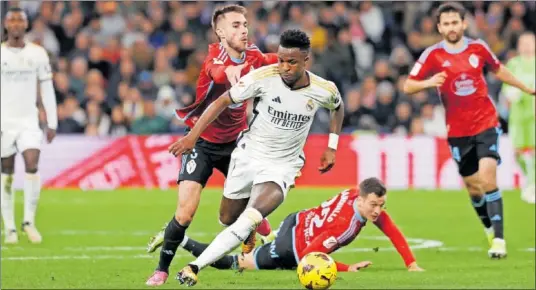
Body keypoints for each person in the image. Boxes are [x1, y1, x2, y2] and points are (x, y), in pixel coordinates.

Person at [168, 29, 345, 287]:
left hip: (283, 166)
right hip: (248, 156)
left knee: (252, 215)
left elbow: (337, 107)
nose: (283, 67)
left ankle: (194, 267)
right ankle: (247, 230)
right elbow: (221, 101)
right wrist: (193, 136)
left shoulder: (323, 89)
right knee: (227, 219)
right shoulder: (263, 77)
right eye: (281, 59)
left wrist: (332, 146)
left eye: (291, 62)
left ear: (306, 60)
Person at [146, 5, 279, 286]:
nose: (243, 29)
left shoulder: (253, 55)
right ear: (220, 32)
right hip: (201, 143)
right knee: (185, 213)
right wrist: (234, 73)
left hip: (235, 144)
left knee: (248, 202)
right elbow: (218, 73)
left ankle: (258, 232)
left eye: (244, 24)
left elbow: (272, 60)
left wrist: (292, 59)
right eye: (234, 25)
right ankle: (161, 270)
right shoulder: (213, 58)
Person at [403, 2, 535, 259]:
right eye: (447, 23)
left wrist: (523, 87)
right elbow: (409, 85)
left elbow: (499, 70)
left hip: (486, 123)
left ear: (463, 24)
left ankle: (499, 240)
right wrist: (430, 82)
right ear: (440, 28)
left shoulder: (478, 48)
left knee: (488, 178)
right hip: (457, 132)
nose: (452, 27)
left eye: (456, 22)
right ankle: (488, 227)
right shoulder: (432, 55)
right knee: (474, 188)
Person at [177, 178, 423, 274]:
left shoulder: (354, 194)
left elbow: (391, 229)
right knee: (237, 264)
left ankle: (260, 233)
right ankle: (184, 241)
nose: (378, 211)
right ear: (361, 200)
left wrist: (411, 263)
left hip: (295, 220)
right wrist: (347, 268)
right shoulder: (344, 227)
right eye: (374, 205)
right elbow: (308, 258)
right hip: (292, 247)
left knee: (245, 258)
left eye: (381, 205)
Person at [1, 7, 58, 244]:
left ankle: (29, 222)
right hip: (4, 120)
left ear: (26, 25)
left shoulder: (38, 53)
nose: (15, 24)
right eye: (12, 19)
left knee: (32, 164)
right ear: (6, 24)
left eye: (20, 20)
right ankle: (10, 227)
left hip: (29, 120)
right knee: (7, 171)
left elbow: (47, 89)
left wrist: (51, 121)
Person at [500, 32, 535, 204]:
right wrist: (511, 93)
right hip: (518, 116)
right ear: (519, 46)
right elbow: (506, 87)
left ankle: (532, 185)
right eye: (524, 43)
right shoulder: (514, 64)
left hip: (534, 115)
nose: (527, 46)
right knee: (518, 153)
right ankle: (530, 179)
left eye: (530, 43)